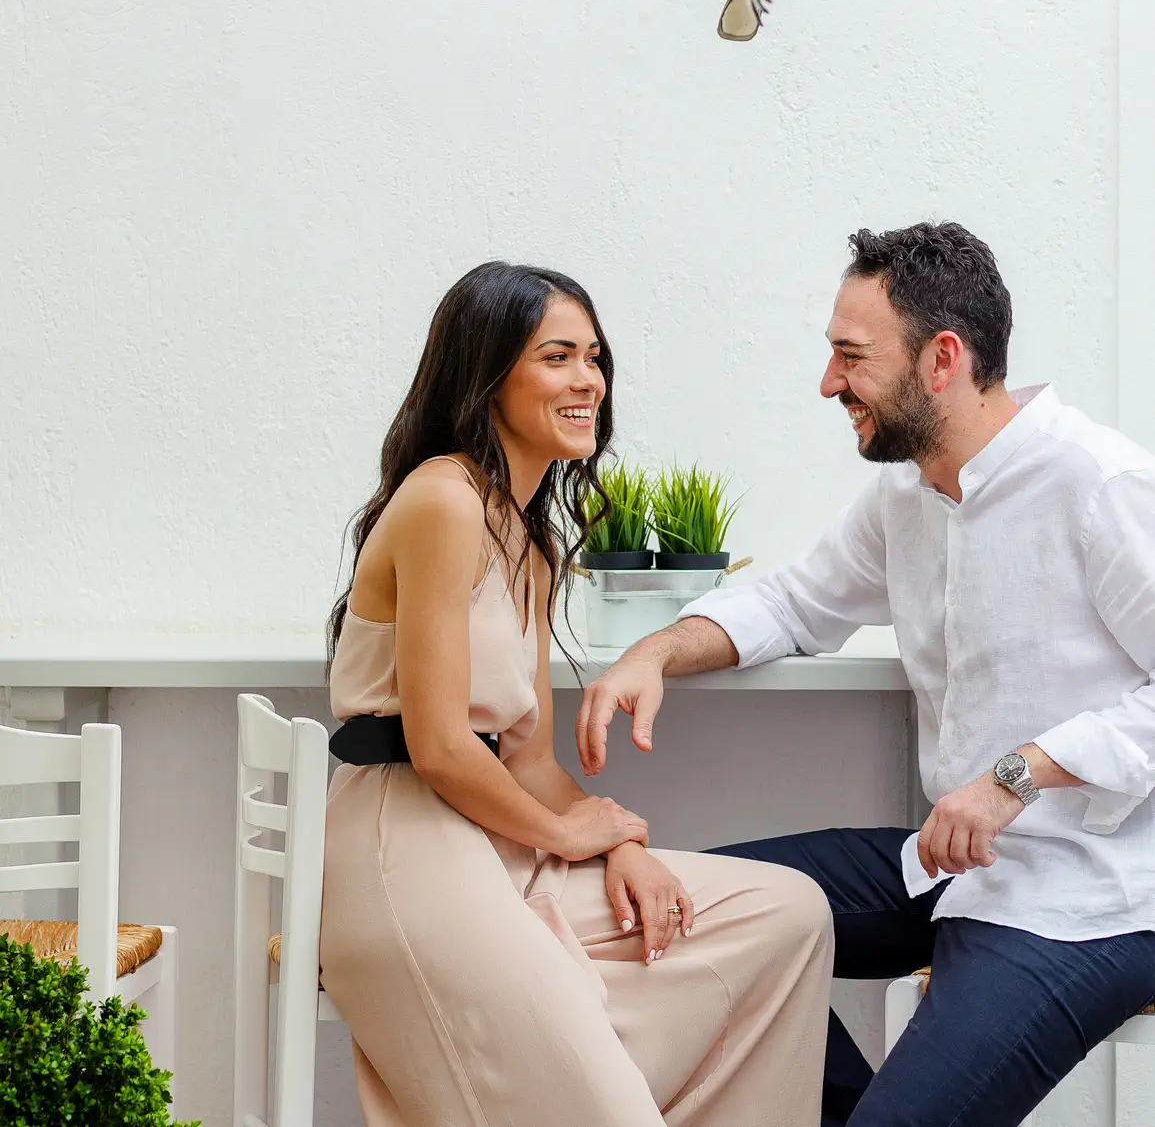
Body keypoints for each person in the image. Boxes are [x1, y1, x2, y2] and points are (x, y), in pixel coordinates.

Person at [576, 222, 1155, 1127]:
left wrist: (1014, 776)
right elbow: (792, 603)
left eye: (851, 356)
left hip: (1090, 899)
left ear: (941, 359)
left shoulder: (1099, 483)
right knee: (672, 918)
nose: (828, 382)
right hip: (946, 866)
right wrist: (654, 651)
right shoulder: (905, 494)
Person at [318, 260, 833, 1127]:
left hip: (496, 841)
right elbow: (439, 748)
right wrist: (563, 835)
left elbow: (525, 757)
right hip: (402, 849)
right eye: (556, 357)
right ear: (486, 377)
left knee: (787, 911)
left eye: (593, 358)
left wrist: (619, 845)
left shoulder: (528, 541)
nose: (587, 380)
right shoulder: (442, 501)